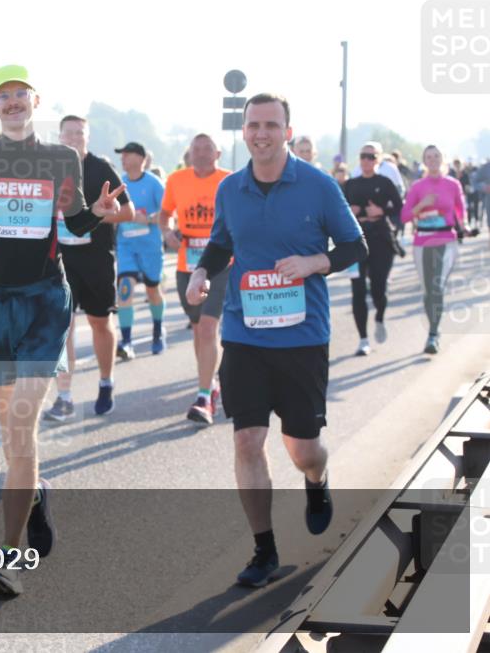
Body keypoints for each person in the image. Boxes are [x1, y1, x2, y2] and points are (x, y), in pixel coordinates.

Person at [0, 65, 122, 596]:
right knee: (14, 441)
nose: (12, 103)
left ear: (36, 100)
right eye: (2, 97)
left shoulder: (61, 158)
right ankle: (36, 492)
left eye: (20, 95)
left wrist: (97, 213)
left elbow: (73, 222)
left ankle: (7, 556)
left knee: (22, 429)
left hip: (44, 303)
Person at [186, 93, 366, 588]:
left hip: (303, 337)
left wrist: (312, 263)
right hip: (244, 332)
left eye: (271, 125)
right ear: (243, 132)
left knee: (303, 448)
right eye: (253, 125)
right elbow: (223, 241)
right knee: (247, 440)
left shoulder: (318, 186)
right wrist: (202, 271)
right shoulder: (231, 189)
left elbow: (355, 245)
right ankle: (263, 550)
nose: (261, 133)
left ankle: (316, 480)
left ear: (287, 131)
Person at [42, 115, 133, 422]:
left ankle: (106, 383)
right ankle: (64, 397)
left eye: (79, 133)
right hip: (59, 261)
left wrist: (92, 216)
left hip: (96, 259)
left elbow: (129, 212)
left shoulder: (101, 168)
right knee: (61, 327)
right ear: (59, 137)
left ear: (87, 138)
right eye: (68, 133)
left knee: (99, 323)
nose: (74, 138)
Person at [159, 134, 230, 425]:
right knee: (199, 327)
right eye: (196, 149)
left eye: (207, 149)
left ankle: (203, 396)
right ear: (189, 153)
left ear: (218, 153)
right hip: (187, 263)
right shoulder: (177, 180)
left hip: (221, 264)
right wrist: (168, 232)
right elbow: (165, 215)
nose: (201, 154)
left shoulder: (229, 181)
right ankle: (211, 381)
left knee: (208, 327)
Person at [401, 145, 467, 355]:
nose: (433, 160)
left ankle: (433, 333)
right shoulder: (418, 186)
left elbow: (460, 208)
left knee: (437, 287)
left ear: (442, 159)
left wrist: (463, 225)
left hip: (446, 240)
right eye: (428, 157)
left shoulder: (453, 184)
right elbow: (404, 217)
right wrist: (422, 206)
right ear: (424, 161)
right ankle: (433, 329)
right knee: (428, 290)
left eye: (436, 156)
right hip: (422, 242)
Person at [342, 142, 403, 356]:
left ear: (378, 160)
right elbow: (338, 212)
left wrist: (382, 211)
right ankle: (363, 339)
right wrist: (351, 211)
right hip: (357, 243)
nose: (366, 160)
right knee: (357, 290)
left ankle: (379, 317)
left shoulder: (385, 183)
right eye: (363, 156)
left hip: (381, 241)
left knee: (378, 289)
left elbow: (399, 210)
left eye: (371, 156)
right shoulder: (350, 184)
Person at [114, 141, 167, 359]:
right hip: (126, 248)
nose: (122, 159)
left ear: (139, 158)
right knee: (124, 290)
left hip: (150, 249)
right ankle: (126, 342)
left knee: (153, 291)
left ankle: (157, 331)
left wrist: (149, 219)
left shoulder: (155, 184)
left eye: (126, 155)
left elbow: (167, 214)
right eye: (121, 155)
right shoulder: (120, 184)